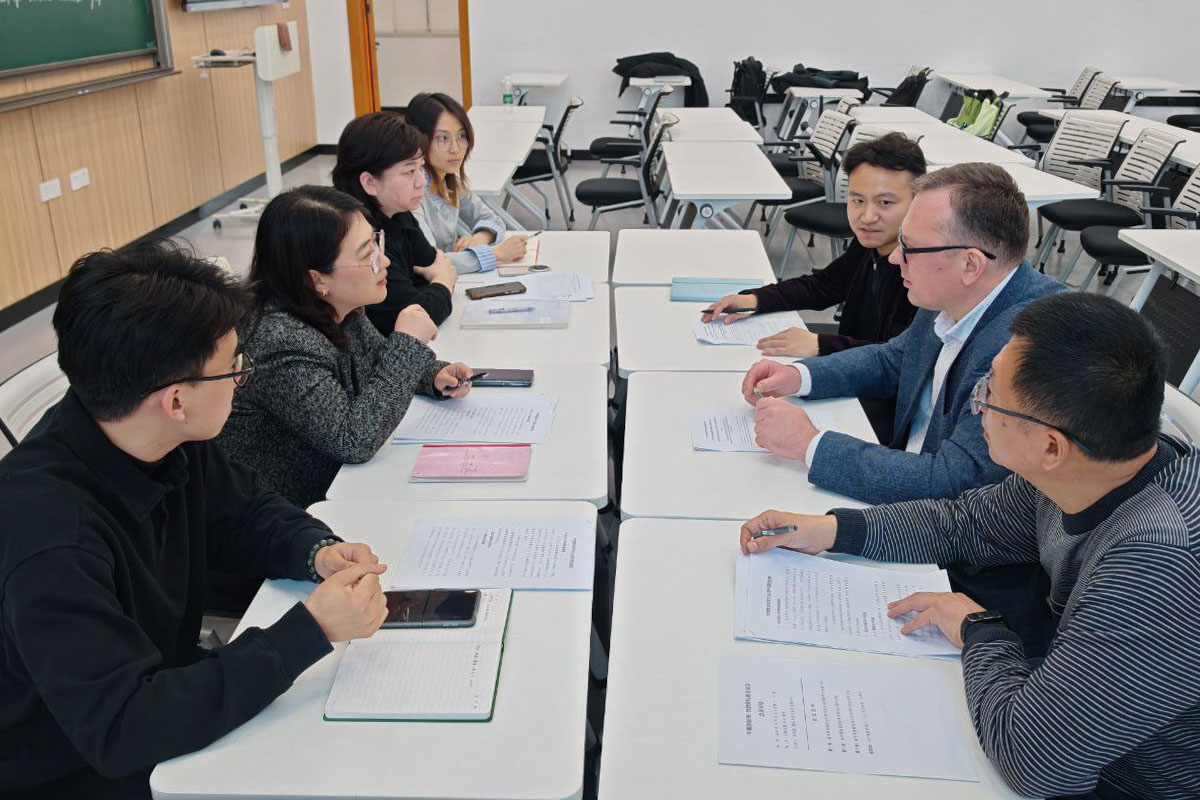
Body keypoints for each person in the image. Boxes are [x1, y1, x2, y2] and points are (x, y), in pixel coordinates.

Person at [739, 292, 1200, 800]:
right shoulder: (1088, 467)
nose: (976, 404)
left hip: (1128, 780)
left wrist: (977, 628)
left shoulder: (1158, 565)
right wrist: (834, 530)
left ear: (1051, 446)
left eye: (990, 394)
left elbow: (1035, 762)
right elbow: (966, 524)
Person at [0, 241, 390, 799]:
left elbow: (245, 511)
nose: (241, 377)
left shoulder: (156, 433)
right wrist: (311, 630)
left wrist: (315, 551)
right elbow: (123, 727)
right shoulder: (52, 539)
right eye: (232, 368)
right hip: (77, 766)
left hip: (166, 688)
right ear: (176, 400)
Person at [740, 162, 1063, 651]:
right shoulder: (955, 294)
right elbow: (895, 358)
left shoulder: (1023, 347)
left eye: (909, 248)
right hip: (910, 507)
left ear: (970, 264)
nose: (894, 259)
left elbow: (953, 484)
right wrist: (802, 375)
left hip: (958, 558)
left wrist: (812, 445)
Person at [217, 185, 474, 510]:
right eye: (367, 255)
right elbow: (353, 439)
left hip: (337, 487)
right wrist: (408, 345)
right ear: (316, 280)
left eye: (376, 243)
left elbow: (376, 362)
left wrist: (432, 375)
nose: (384, 260)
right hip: (287, 512)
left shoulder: (339, 306)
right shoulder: (280, 342)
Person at [703, 132, 925, 439]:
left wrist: (820, 344)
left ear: (917, 203)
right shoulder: (871, 244)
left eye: (885, 203)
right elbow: (825, 285)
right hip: (848, 378)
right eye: (857, 200)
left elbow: (896, 361)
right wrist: (755, 300)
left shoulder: (924, 274)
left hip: (880, 407)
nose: (867, 216)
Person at [331, 111, 457, 331]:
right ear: (370, 182)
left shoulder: (397, 212)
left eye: (421, 167)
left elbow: (429, 265)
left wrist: (435, 283)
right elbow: (419, 314)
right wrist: (443, 281)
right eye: (409, 172)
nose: (421, 182)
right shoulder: (358, 238)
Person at [406, 91, 530, 274]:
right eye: (443, 138)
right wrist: (498, 254)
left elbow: (493, 219)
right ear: (420, 140)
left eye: (461, 136)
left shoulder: (449, 182)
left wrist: (480, 238)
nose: (455, 148)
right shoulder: (413, 195)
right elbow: (429, 261)